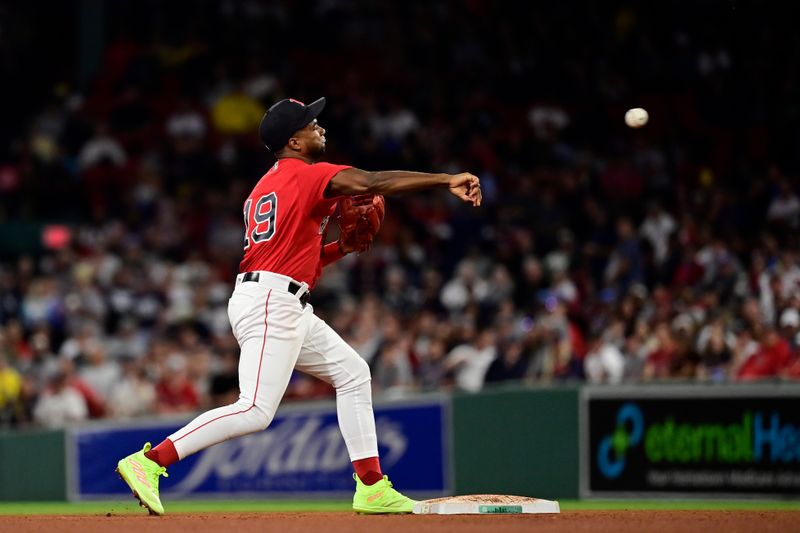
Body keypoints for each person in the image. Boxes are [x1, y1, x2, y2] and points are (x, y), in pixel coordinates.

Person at [115, 97, 482, 515]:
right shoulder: (308, 176)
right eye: (311, 123)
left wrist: (341, 247)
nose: (319, 127)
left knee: (353, 373)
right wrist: (444, 179)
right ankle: (149, 460)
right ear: (294, 140)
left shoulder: (264, 187)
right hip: (273, 301)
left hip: (279, 297)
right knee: (255, 409)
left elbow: (295, 261)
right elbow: (372, 182)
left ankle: (372, 486)